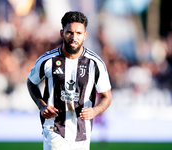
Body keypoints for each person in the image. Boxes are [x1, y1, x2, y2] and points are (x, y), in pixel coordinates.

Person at [27, 11, 112, 150]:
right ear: (62, 33)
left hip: (82, 132)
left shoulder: (95, 63)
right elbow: (31, 82)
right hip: (54, 128)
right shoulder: (47, 60)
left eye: (78, 33)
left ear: (85, 35)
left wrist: (94, 111)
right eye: (69, 33)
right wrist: (41, 105)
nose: (74, 37)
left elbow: (107, 97)